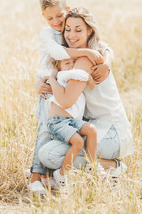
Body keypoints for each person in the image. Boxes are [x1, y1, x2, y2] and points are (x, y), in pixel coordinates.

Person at [38, 7, 133, 183]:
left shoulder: (85, 59)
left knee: (49, 154)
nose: (71, 35)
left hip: (111, 132)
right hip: (91, 127)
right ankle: (68, 171)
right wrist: (41, 83)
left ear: (90, 31)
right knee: (51, 146)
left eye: (78, 30)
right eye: (68, 29)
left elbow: (65, 101)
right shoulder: (78, 54)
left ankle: (111, 166)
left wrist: (51, 80)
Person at [28, 0, 110, 194]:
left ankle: (52, 175)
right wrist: (86, 52)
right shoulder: (47, 34)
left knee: (58, 135)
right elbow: (57, 53)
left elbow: (105, 46)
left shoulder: (69, 30)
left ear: (67, 10)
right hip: (48, 86)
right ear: (43, 17)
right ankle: (35, 177)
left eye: (59, 16)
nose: (56, 21)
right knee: (45, 131)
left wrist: (105, 61)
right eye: (50, 18)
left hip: (64, 89)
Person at [47, 57, 98, 186]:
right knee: (78, 142)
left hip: (72, 121)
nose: (71, 65)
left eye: (73, 62)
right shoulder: (62, 75)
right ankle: (61, 175)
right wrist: (88, 77)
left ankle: (91, 166)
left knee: (91, 130)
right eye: (67, 63)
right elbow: (75, 73)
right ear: (59, 68)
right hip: (58, 121)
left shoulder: (72, 81)